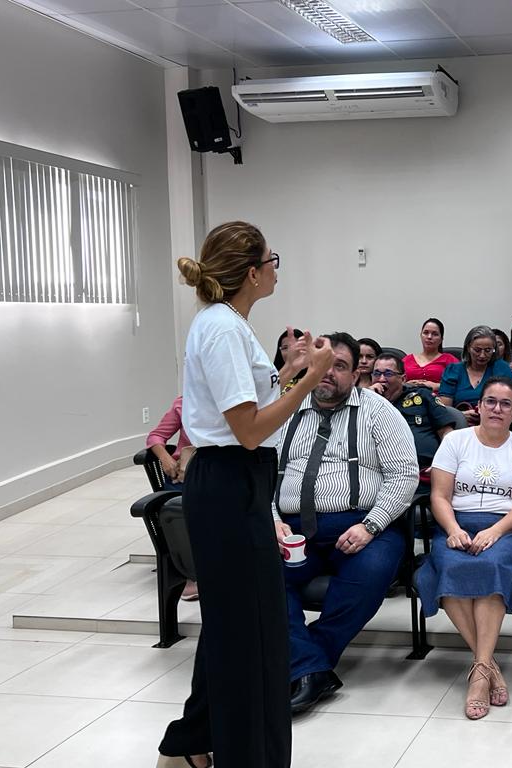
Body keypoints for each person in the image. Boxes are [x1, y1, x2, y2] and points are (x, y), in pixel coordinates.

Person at [157, 221, 335, 768]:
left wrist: (289, 370)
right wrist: (312, 380)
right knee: (243, 634)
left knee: (236, 627)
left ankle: (188, 745)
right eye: (272, 259)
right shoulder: (221, 329)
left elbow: (246, 407)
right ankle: (235, 752)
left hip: (239, 480)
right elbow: (249, 429)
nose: (278, 268)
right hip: (229, 480)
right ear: (253, 273)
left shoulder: (228, 323)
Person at [274, 333, 418, 713]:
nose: (329, 373)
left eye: (340, 366)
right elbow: (261, 475)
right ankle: (311, 668)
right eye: (323, 364)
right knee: (259, 575)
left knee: (370, 573)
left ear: (356, 374)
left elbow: (404, 475)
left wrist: (371, 525)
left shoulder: (378, 411)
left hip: (363, 525)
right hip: (292, 529)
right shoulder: (285, 410)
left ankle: (303, 663)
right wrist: (272, 520)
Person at [415, 377, 512, 720]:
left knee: (491, 567)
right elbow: (439, 496)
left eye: (505, 404)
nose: (497, 409)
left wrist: (496, 531)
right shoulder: (455, 441)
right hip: (456, 524)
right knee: (449, 565)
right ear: (479, 406)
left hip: (505, 529)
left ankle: (478, 676)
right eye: (490, 402)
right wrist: (453, 529)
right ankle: (487, 667)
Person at [146, 395, 198, 601]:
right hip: (184, 477)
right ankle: (191, 572)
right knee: (179, 510)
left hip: (216, 473)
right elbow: (155, 437)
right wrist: (166, 459)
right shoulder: (184, 402)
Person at [370, 353, 456, 477]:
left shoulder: (422, 395)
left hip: (423, 472)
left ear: (403, 379)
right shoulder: (367, 402)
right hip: (380, 474)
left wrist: (444, 462)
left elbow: (447, 433)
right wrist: (368, 397)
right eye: (377, 374)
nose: (381, 379)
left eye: (388, 374)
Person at [438, 326, 512, 426]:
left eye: (488, 350)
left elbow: (508, 404)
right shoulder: (453, 370)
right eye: (477, 350)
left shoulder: (501, 368)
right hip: (459, 426)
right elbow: (445, 409)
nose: (482, 355)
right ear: (468, 348)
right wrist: (460, 416)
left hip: (494, 424)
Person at [403, 318, 457, 392]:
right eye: (426, 333)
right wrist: (406, 385)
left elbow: (461, 385)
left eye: (435, 334)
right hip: (408, 400)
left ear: (441, 339)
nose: (429, 337)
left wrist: (437, 386)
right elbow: (394, 383)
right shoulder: (407, 360)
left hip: (438, 401)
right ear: (421, 335)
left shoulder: (449, 360)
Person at [273, 327, 307, 393]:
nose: (291, 351)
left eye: (296, 346)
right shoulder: (271, 379)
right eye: (285, 347)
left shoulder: (314, 379)